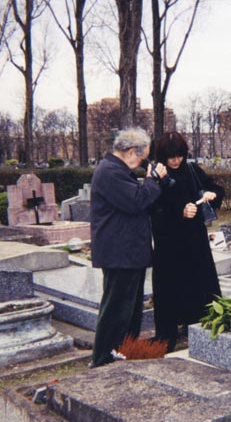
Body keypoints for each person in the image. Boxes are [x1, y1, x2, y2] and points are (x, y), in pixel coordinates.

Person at [89, 127, 168, 367]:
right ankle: (103, 358)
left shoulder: (117, 171)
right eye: (143, 159)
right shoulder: (110, 172)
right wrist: (153, 180)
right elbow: (136, 201)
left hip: (128, 252)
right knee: (116, 310)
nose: (142, 164)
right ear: (132, 151)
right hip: (120, 253)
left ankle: (122, 352)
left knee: (130, 311)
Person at [150, 131, 225, 351]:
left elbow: (216, 189)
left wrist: (212, 194)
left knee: (198, 283)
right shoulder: (157, 176)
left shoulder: (192, 170)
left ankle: (199, 326)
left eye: (179, 155)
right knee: (170, 287)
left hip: (194, 240)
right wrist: (179, 213)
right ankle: (167, 335)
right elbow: (154, 209)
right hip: (169, 243)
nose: (175, 160)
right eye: (171, 157)